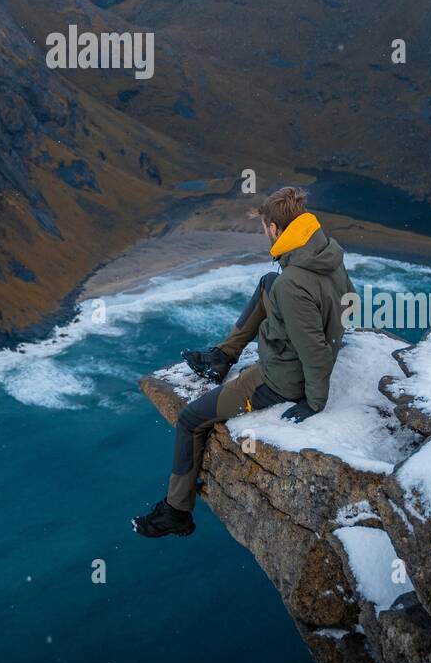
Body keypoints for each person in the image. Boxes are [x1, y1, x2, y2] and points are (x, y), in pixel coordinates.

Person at [133, 186, 355, 538]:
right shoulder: (325, 251)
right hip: (303, 346)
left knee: (191, 420)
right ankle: (223, 357)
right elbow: (348, 301)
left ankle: (176, 511)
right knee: (269, 281)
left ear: (278, 230)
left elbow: (312, 350)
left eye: (265, 227)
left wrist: (314, 401)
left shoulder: (293, 284)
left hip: (279, 379)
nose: (265, 233)